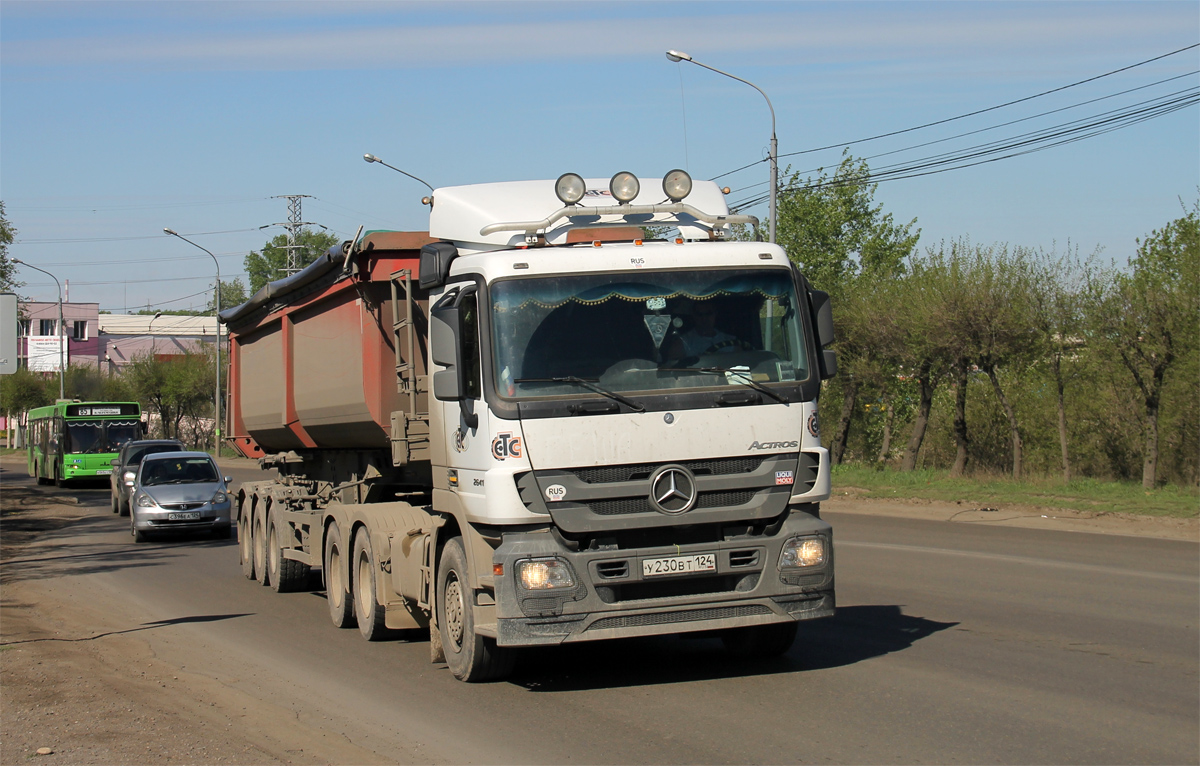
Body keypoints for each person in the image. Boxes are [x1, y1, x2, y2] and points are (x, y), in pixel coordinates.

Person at [666, 301, 742, 360]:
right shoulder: (683, 343)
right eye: (699, 314)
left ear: (715, 314)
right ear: (694, 316)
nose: (704, 319)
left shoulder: (731, 342)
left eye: (708, 313)